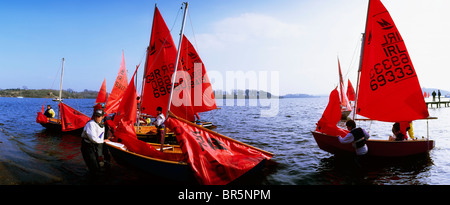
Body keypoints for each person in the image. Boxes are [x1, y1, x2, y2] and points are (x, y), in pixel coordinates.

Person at [81, 109, 110, 174]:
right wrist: (103, 140)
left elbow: (100, 138)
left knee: (98, 165)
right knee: (94, 167)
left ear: (102, 117)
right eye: (96, 116)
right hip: (87, 146)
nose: (97, 117)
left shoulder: (102, 126)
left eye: (99, 116)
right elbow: (93, 139)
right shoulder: (91, 124)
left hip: (94, 146)